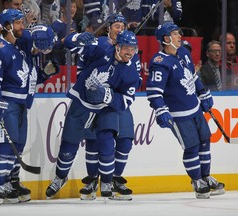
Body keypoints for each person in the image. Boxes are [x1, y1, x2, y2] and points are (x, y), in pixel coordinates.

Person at [45, 30, 141, 199]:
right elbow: (69, 44)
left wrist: (107, 96)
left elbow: (126, 100)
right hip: (81, 101)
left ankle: (106, 181)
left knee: (106, 144)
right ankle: (60, 177)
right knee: (69, 144)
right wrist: (77, 38)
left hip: (105, 107)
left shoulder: (131, 70)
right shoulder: (103, 46)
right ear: (117, 46)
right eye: (127, 47)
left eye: (133, 49)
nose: (130, 52)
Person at [0, 9, 58, 205]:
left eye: (22, 23)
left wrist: (44, 74)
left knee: (18, 145)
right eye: (18, 23)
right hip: (7, 103)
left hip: (23, 104)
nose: (22, 27)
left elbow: (26, 78)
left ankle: (10, 182)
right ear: (7, 26)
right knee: (3, 145)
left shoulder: (21, 48)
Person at [146, 22, 225, 199]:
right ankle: (197, 181)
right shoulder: (160, 63)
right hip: (179, 115)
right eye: (175, 34)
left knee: (205, 141)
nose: (179, 36)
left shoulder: (183, 52)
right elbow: (154, 92)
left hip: (195, 109)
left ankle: (206, 176)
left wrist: (203, 92)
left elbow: (192, 76)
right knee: (191, 147)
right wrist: (160, 110)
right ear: (166, 39)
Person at [78, 13, 141, 201]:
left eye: (123, 25)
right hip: (92, 102)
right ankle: (93, 180)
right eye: (116, 25)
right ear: (109, 28)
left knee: (125, 140)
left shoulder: (130, 63)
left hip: (115, 103)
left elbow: (130, 90)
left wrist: (107, 95)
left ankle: (111, 179)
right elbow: (82, 58)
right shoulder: (102, 46)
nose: (120, 28)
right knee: (96, 141)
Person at [50, 0, 78, 65]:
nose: (72, 9)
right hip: (58, 63)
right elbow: (51, 46)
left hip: (71, 63)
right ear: (62, 9)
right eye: (70, 7)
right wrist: (64, 40)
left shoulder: (74, 24)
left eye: (74, 7)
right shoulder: (55, 25)